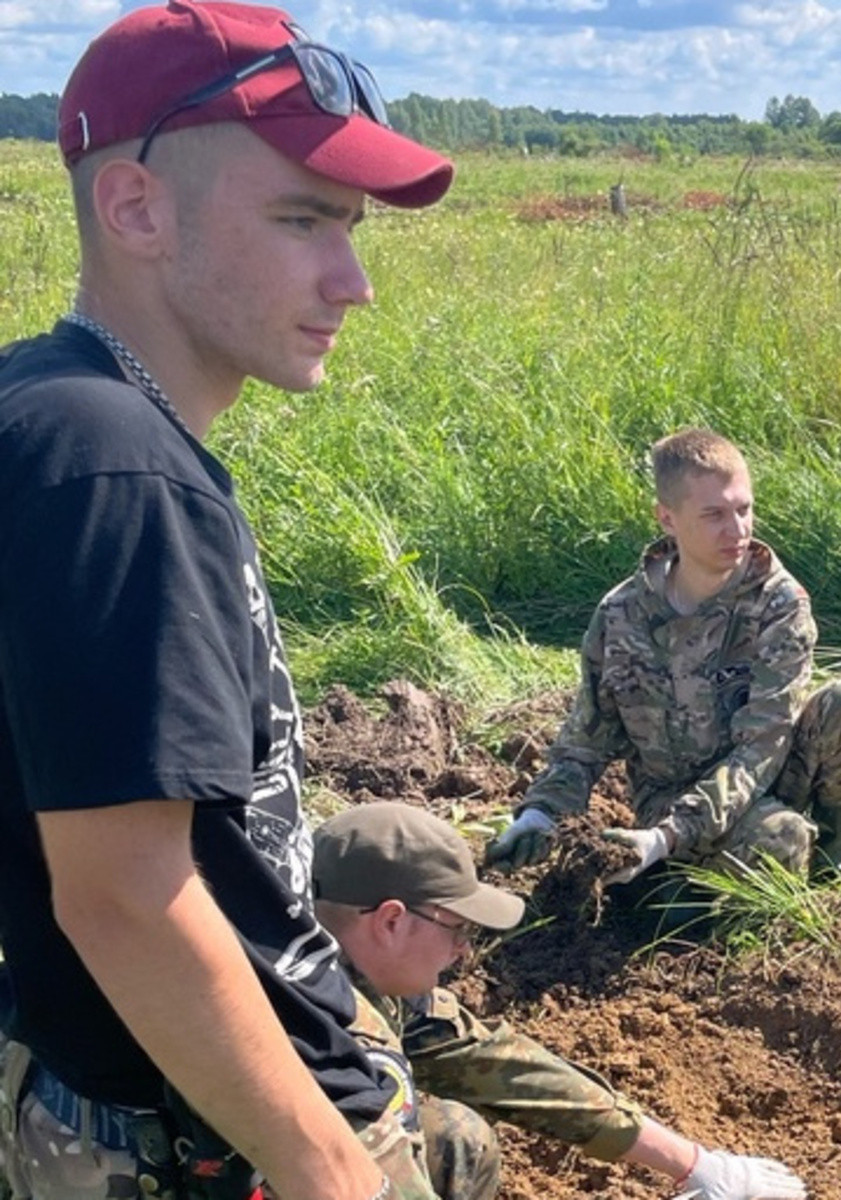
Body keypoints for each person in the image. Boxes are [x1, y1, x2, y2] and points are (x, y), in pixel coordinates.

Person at [0, 4, 454, 1200]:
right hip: (209, 1140)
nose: (351, 282)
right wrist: (327, 1169)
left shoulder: (43, 406)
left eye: (350, 227)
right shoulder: (119, 468)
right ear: (137, 209)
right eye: (303, 219)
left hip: (112, 1090)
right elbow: (125, 895)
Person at [310, 802, 808, 1200]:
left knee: (456, 1139)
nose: (464, 950)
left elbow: (500, 1067)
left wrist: (697, 1166)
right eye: (456, 928)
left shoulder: (371, 976)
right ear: (391, 922)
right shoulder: (323, 1035)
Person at [485, 428, 841, 897]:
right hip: (668, 800)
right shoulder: (622, 616)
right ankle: (668, 889)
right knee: (779, 840)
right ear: (667, 519)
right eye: (714, 515)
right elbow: (585, 741)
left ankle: (830, 874)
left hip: (765, 776)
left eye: (744, 509)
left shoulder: (779, 605)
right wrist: (539, 814)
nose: (737, 531)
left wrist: (665, 840)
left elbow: (763, 744)